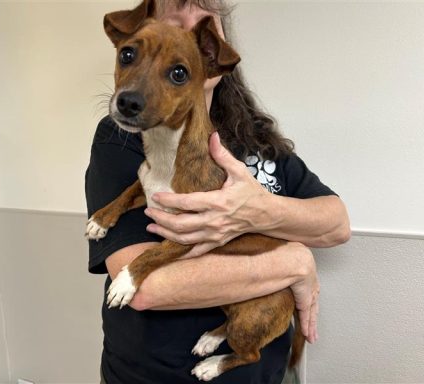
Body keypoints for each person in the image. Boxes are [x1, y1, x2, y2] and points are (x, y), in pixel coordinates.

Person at [85, 1, 351, 383]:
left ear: (215, 53)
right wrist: (293, 263)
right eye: (175, 20)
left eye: (206, 24)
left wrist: (258, 211)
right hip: (154, 375)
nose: (191, 30)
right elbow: (146, 288)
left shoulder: (258, 139)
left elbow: (337, 223)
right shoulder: (122, 137)